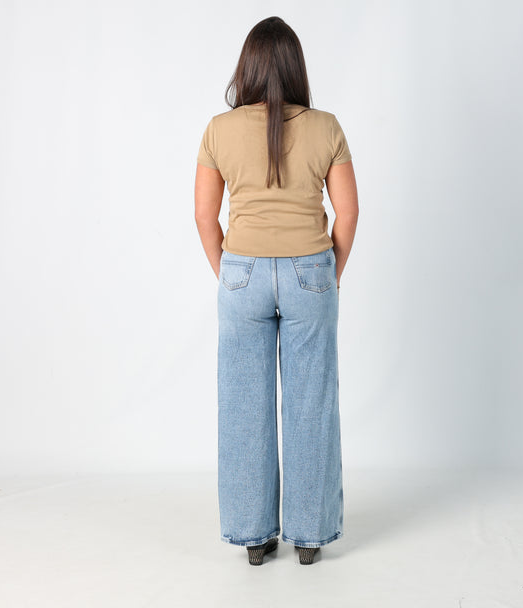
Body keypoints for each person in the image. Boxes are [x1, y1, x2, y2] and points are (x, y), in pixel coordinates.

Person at [194, 16, 358, 566]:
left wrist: (229, 272)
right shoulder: (326, 126)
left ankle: (253, 536)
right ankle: (309, 536)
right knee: (312, 402)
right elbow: (348, 213)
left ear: (246, 68)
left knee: (244, 405)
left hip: (241, 272)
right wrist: (329, 275)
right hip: (310, 270)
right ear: (295, 68)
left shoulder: (219, 129)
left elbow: (204, 216)